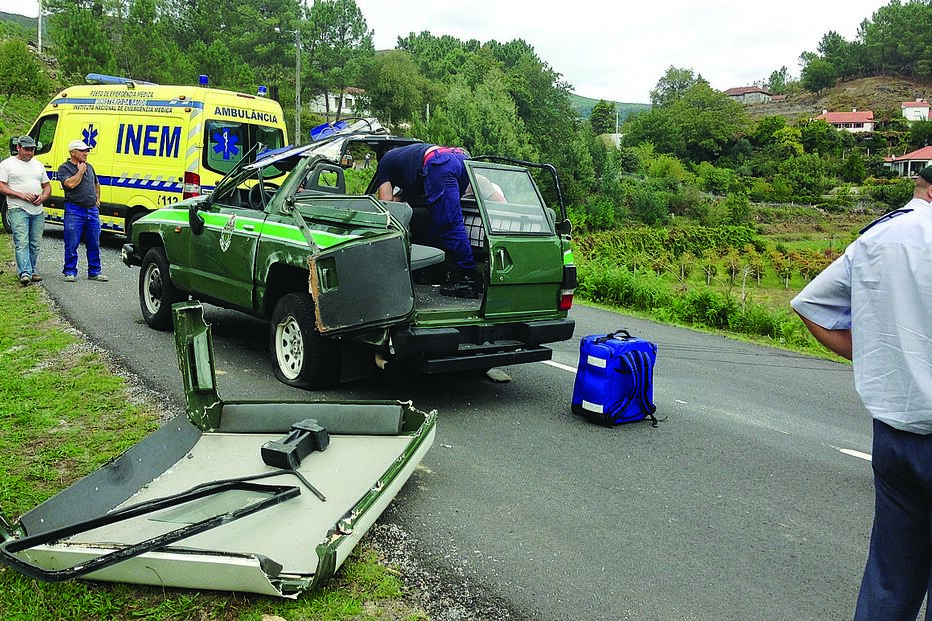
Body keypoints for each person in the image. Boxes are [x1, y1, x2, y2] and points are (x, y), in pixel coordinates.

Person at [791, 165, 932, 620]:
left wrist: (877, 357)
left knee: (890, 581)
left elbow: (811, 304)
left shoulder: (878, 237)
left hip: (894, 437)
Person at [373, 143, 478, 298]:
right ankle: (428, 273)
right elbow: (402, 197)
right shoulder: (406, 157)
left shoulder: (384, 163)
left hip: (439, 163)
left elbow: (386, 202)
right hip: (460, 160)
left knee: (450, 224)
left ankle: (468, 280)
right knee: (437, 220)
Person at [0, 135, 50, 286]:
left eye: (32, 150)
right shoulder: (7, 164)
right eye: (27, 150)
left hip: (37, 209)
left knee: (35, 243)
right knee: (22, 241)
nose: (30, 153)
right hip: (18, 208)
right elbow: (1, 186)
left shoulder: (38, 165)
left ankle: (31, 270)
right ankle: (25, 273)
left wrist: (43, 197)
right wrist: (21, 195)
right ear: (18, 148)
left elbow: (47, 186)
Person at [58, 139, 108, 282]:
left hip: (91, 210)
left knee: (94, 242)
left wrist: (97, 200)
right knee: (72, 242)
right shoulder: (64, 168)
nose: (86, 153)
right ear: (73, 153)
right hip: (74, 209)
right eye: (82, 151)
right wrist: (80, 172)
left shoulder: (90, 167)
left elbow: (96, 184)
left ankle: (94, 271)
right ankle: (70, 271)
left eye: (87, 150)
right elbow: (71, 184)